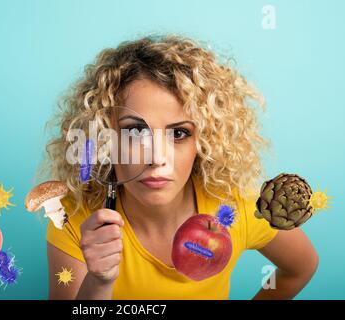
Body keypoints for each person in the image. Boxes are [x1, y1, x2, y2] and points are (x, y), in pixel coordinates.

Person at [41, 34, 318, 299]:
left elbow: (300, 268)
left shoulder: (234, 207)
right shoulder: (74, 218)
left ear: (206, 140)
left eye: (178, 134)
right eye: (136, 132)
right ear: (103, 138)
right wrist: (98, 281)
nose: (157, 158)